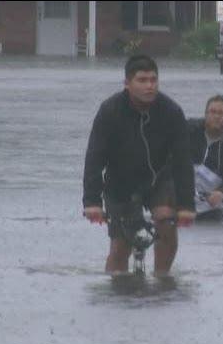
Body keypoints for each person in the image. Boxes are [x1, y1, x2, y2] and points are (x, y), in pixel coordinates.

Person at [82, 55, 196, 276]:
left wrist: (186, 205)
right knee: (120, 246)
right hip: (120, 182)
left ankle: (163, 278)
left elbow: (183, 161)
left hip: (160, 178)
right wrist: (92, 202)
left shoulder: (172, 111)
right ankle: (119, 286)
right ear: (127, 84)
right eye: (142, 80)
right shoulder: (110, 111)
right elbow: (94, 158)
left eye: (153, 80)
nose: (149, 86)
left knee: (166, 220)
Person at [188, 94, 223, 222]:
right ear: (206, 114)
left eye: (221, 113)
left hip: (211, 207)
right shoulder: (188, 129)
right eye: (212, 112)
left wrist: (222, 192)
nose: (217, 116)